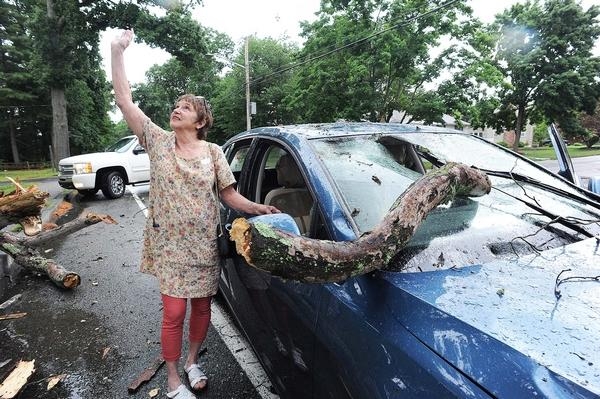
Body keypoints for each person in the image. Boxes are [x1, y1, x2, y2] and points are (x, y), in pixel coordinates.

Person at [111, 29, 279, 399]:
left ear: (200, 121)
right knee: (173, 314)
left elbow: (230, 195)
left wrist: (258, 208)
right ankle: (172, 378)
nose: (177, 109)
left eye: (186, 107)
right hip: (170, 247)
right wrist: (117, 50)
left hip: (205, 246)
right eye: (177, 105)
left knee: (202, 309)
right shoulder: (157, 141)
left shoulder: (214, 152)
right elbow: (124, 100)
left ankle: (192, 361)